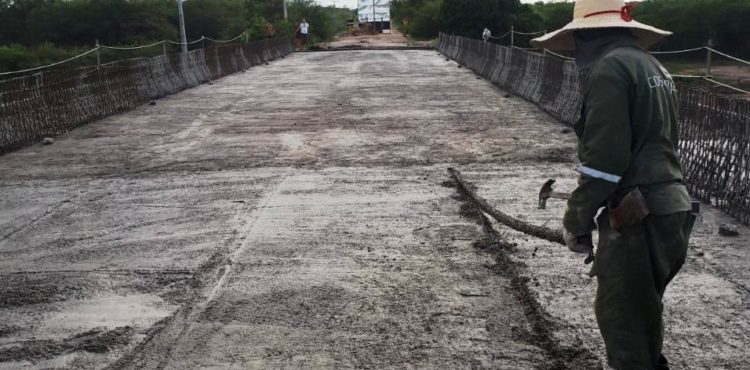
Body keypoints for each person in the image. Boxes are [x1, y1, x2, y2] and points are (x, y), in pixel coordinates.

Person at [531, 1, 696, 369]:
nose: (575, 52)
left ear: (588, 35)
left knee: (623, 324)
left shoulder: (609, 69)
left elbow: (605, 163)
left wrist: (576, 220)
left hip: (640, 217)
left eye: (576, 42)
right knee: (643, 316)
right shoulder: (652, 66)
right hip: (672, 208)